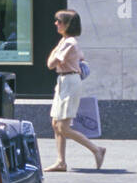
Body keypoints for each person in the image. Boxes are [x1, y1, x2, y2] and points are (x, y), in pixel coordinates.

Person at [45, 9, 105, 173]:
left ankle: (96, 149)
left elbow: (50, 64)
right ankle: (61, 162)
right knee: (55, 124)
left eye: (59, 21)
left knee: (63, 127)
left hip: (70, 81)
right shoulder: (65, 41)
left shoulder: (69, 42)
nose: (56, 23)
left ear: (67, 24)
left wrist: (55, 55)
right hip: (63, 80)